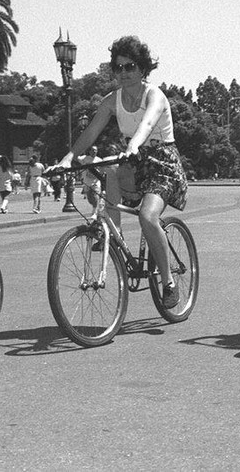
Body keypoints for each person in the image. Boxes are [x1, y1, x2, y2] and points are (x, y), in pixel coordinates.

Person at [52, 35, 188, 309]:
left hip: (163, 162)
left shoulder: (155, 95)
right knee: (109, 169)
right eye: (119, 67)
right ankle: (116, 236)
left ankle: (168, 282)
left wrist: (134, 145)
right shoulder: (111, 100)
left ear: (142, 69)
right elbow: (91, 131)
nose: (124, 73)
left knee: (148, 218)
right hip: (134, 160)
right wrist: (68, 158)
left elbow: (147, 124)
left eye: (130, 67)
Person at [78, 145, 103, 220]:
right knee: (90, 199)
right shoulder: (85, 158)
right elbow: (76, 157)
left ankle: (94, 213)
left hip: (96, 182)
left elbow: (102, 170)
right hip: (87, 182)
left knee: (96, 196)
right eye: (93, 150)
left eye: (96, 150)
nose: (94, 152)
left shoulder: (99, 160)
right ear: (89, 151)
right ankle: (96, 208)